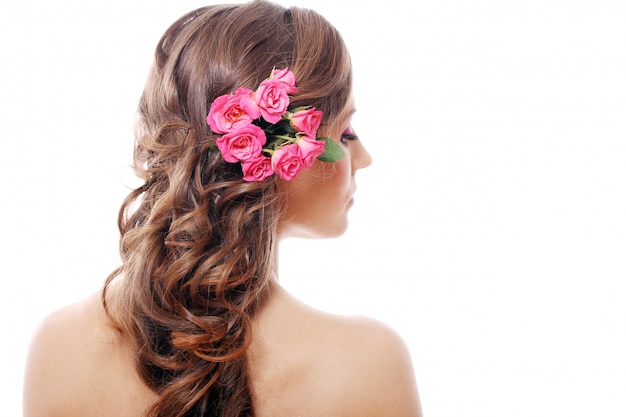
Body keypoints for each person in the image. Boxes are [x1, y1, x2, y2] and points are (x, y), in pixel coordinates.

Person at [22, 1, 423, 416]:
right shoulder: (366, 364)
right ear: (284, 147)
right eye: (348, 131)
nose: (365, 158)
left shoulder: (58, 344)